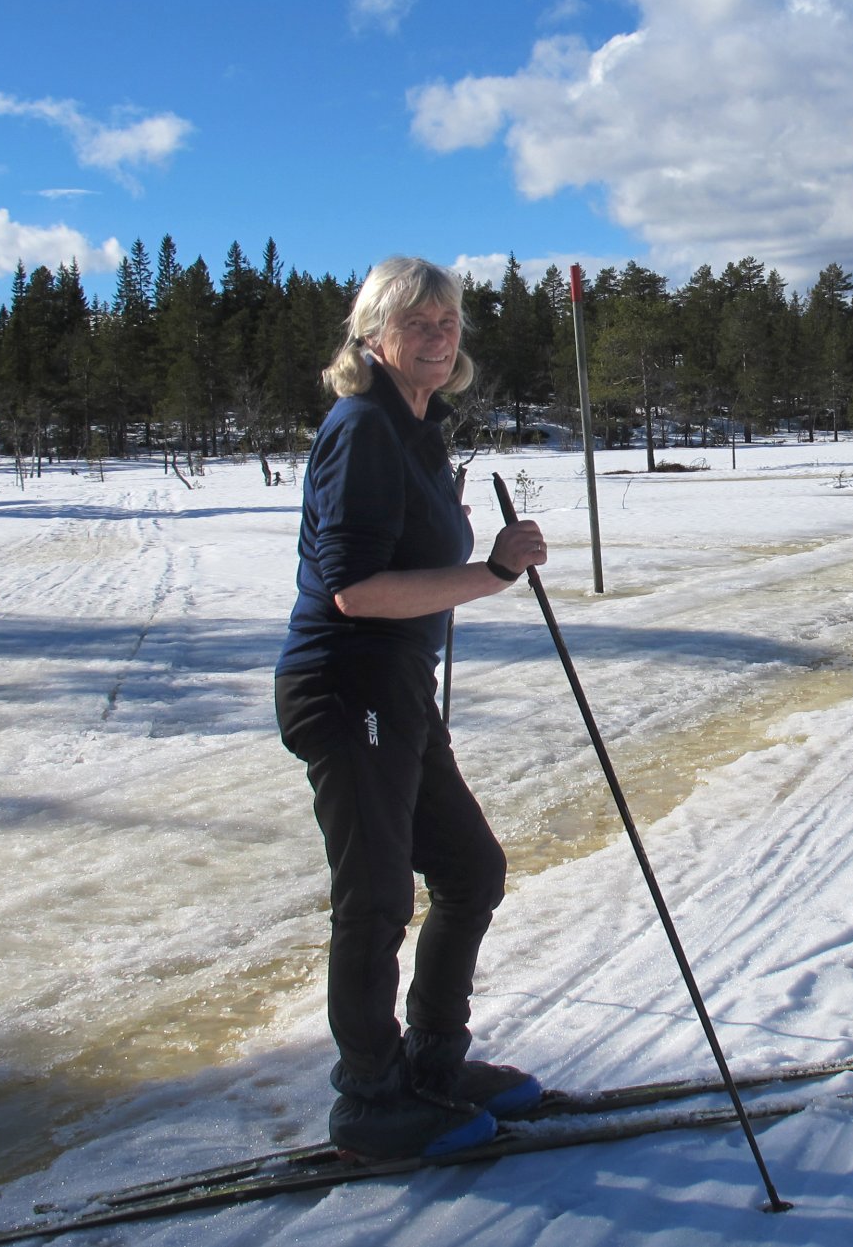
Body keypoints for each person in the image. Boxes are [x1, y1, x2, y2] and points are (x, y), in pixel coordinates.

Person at [274, 256, 548, 1159]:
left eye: (448, 321)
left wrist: (475, 563)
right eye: (416, 321)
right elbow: (354, 590)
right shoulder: (363, 426)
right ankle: (369, 1097)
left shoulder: (417, 429)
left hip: (395, 689)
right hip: (345, 684)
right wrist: (491, 571)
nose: (437, 335)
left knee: (470, 869)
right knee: (378, 897)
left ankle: (432, 1060)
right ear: (373, 334)